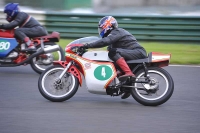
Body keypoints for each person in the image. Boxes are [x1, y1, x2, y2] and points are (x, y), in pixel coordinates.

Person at [80, 16, 147, 99]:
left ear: (107, 25)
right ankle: (127, 88)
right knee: (113, 63)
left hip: (137, 52)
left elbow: (104, 41)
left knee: (113, 52)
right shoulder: (113, 39)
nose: (100, 31)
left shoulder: (117, 32)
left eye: (102, 28)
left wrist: (87, 45)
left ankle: (128, 73)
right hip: (133, 53)